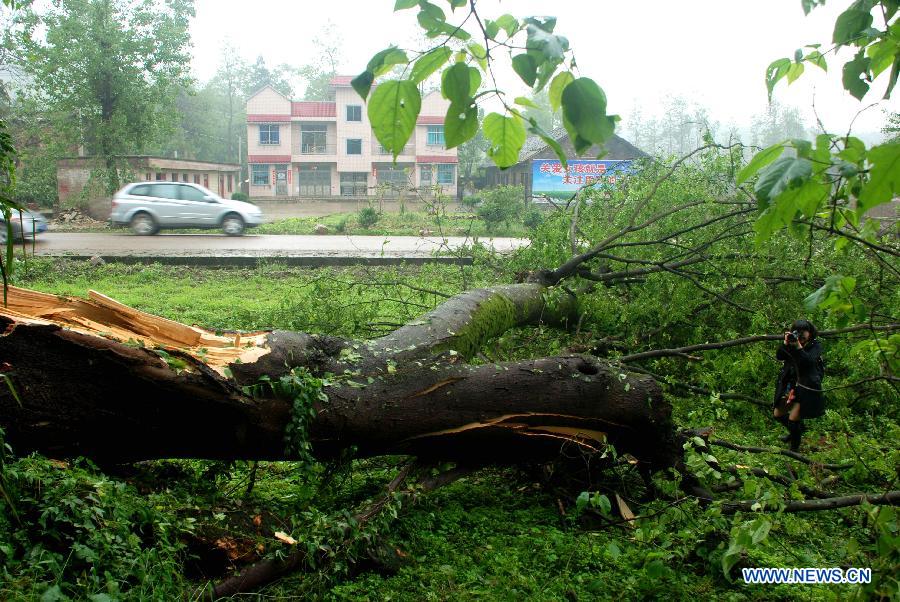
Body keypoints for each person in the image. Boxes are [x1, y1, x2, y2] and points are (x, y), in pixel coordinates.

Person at [773, 319, 824, 451]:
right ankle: (798, 431)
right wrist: (785, 343)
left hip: (807, 386)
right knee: (778, 414)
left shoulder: (815, 345)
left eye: (804, 333)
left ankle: (794, 450)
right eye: (798, 332)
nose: (801, 336)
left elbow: (808, 361)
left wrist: (798, 347)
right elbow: (779, 356)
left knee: (793, 418)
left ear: (810, 333)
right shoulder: (792, 342)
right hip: (791, 384)